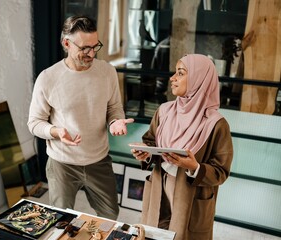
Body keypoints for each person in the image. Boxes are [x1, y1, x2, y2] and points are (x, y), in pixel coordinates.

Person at [27, 15, 134, 220]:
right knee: (60, 219)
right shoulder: (48, 78)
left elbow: (114, 108)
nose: (91, 54)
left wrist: (115, 121)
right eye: (85, 48)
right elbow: (34, 123)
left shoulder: (107, 72)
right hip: (62, 163)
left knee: (110, 215)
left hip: (98, 160)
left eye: (95, 46)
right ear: (66, 43)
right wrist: (55, 131)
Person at [130, 54, 233, 239]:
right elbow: (151, 141)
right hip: (158, 188)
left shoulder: (217, 124)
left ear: (198, 79)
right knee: (153, 233)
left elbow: (221, 171)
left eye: (180, 73)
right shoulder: (164, 111)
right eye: (174, 73)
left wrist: (194, 167)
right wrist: (145, 152)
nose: (172, 78)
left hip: (190, 198)